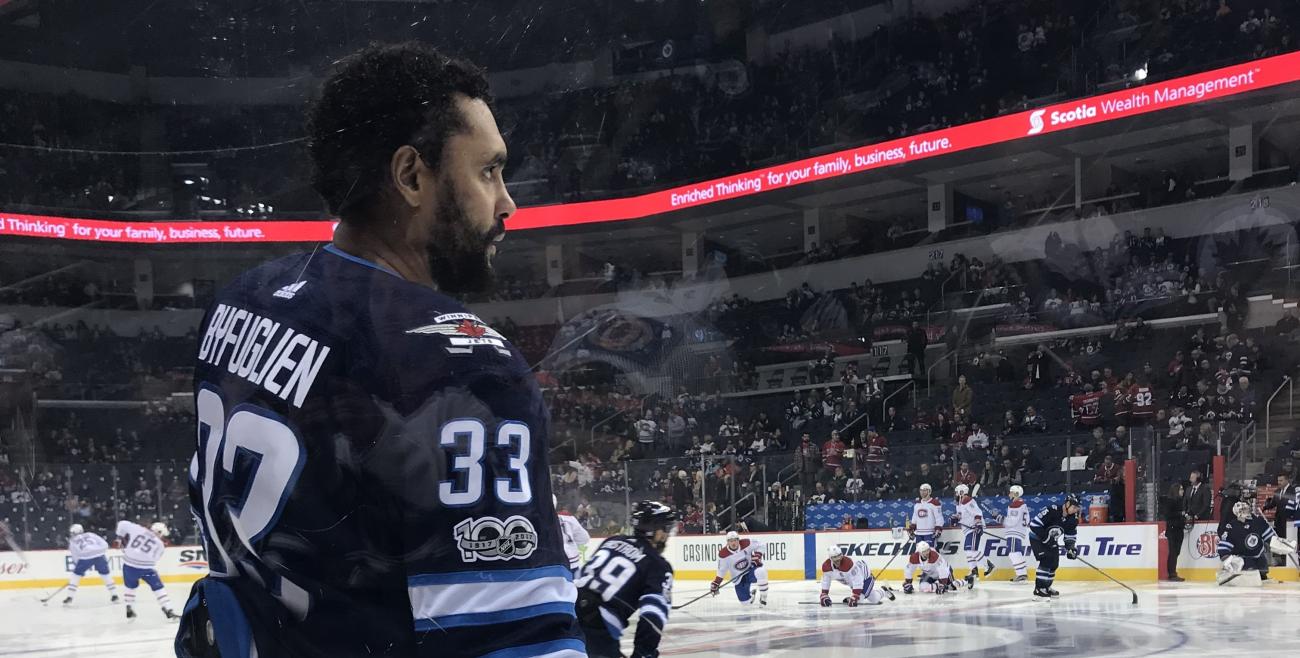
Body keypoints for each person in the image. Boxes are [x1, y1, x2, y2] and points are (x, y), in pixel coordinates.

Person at [177, 44, 581, 658]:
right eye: (488, 171)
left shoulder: (242, 300)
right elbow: (517, 643)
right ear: (411, 176)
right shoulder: (463, 364)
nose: (507, 203)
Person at [576, 501, 676, 658]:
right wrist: (643, 653)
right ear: (655, 530)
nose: (667, 534)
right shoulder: (657, 565)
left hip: (569, 614)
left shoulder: (612, 541)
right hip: (598, 626)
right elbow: (652, 617)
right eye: (666, 528)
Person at [116, 520, 177, 620]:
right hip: (146, 570)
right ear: (160, 532)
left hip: (129, 566)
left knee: (130, 587)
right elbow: (155, 559)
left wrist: (119, 538)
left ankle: (129, 606)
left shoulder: (138, 529)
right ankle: (168, 609)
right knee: (158, 588)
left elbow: (122, 523)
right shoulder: (160, 544)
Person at [1028, 495, 1080, 599]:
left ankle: (1046, 587)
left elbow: (1070, 535)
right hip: (1037, 538)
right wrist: (1047, 539)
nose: (1075, 510)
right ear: (1067, 504)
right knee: (1046, 560)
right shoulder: (1052, 510)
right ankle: (1039, 589)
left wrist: (1070, 547)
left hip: (1052, 540)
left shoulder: (1073, 519)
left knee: (1054, 563)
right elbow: (1034, 525)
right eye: (1074, 507)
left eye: (1077, 508)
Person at [1216, 501, 1277, 585]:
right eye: (1241, 510)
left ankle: (1261, 576)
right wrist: (1228, 559)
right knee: (1249, 577)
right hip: (1242, 561)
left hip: (1259, 560)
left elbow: (1271, 539)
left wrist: (1280, 545)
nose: (1244, 512)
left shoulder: (1258, 521)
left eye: (1245, 509)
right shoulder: (1231, 526)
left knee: (1261, 576)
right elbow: (1224, 548)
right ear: (1236, 512)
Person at [61, 524, 119, 606]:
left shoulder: (73, 541)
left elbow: (75, 555)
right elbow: (105, 544)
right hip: (99, 555)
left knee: (75, 576)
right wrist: (99, 551)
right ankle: (114, 595)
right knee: (105, 574)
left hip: (85, 557)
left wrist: (80, 569)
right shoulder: (91, 534)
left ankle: (69, 597)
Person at [819, 545, 894, 606]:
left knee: (861, 600)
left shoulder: (848, 564)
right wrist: (824, 594)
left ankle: (883, 591)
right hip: (852, 582)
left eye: (839, 556)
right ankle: (883, 590)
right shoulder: (827, 567)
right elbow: (826, 581)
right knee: (873, 599)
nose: (838, 560)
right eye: (835, 558)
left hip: (865, 578)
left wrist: (855, 596)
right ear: (830, 558)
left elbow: (858, 581)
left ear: (842, 555)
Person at [951, 484, 994, 587]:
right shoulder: (959, 503)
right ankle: (974, 571)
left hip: (973, 528)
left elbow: (977, 513)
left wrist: (978, 525)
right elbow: (961, 515)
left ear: (961, 492)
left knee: (972, 550)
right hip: (968, 530)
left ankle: (988, 565)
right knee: (968, 551)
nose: (955, 494)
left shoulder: (967, 500)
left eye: (957, 492)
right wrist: (955, 518)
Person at [710, 530, 769, 606]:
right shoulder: (723, 554)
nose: (733, 543)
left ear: (738, 540)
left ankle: (763, 596)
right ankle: (752, 595)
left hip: (750, 571)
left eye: (735, 540)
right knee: (745, 603)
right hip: (738, 579)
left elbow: (762, 545)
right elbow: (722, 570)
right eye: (731, 541)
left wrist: (757, 555)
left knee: (761, 571)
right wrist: (716, 583)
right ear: (727, 542)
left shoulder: (746, 543)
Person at [1263, 473, 1296, 566]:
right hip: (1279, 522)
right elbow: (1273, 503)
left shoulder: (1293, 491)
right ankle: (1281, 561)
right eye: (1278, 480)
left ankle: (1289, 561)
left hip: (1289, 522)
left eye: (1281, 480)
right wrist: (1265, 507)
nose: (1279, 482)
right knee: (1280, 541)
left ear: (1286, 480)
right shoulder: (1277, 491)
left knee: (1288, 540)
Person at [1003, 485, 1032, 583]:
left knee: (1013, 553)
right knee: (1017, 552)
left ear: (1016, 493)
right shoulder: (1022, 504)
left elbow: (1012, 522)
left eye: (1011, 492)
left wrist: (1000, 519)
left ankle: (1021, 575)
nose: (1009, 494)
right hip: (1018, 532)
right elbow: (1027, 520)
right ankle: (1022, 574)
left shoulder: (1015, 505)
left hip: (1014, 532)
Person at [557, 495, 591, 576]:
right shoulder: (569, 518)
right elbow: (584, 538)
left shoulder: (540, 520)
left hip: (553, 564)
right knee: (574, 587)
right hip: (572, 562)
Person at [1162, 482, 1189, 581]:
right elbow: (1168, 514)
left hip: (1179, 529)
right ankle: (1172, 573)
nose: (1182, 491)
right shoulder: (1170, 501)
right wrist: (1180, 513)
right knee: (1173, 552)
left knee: (1176, 552)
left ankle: (1173, 572)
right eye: (1181, 489)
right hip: (1173, 530)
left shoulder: (1180, 501)